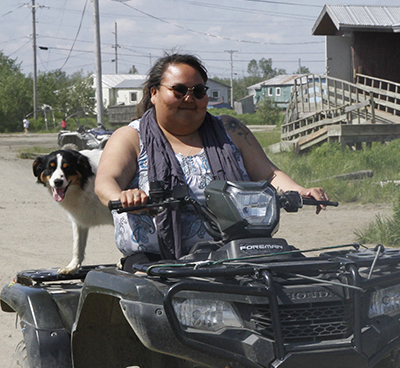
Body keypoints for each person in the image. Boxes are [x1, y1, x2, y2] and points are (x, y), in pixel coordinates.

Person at [95, 53, 329, 268]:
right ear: (154, 93)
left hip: (232, 254)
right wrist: (123, 197)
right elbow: (106, 181)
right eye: (179, 90)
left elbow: (269, 175)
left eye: (198, 91)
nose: (189, 98)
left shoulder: (230, 129)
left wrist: (300, 191)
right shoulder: (131, 137)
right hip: (157, 262)